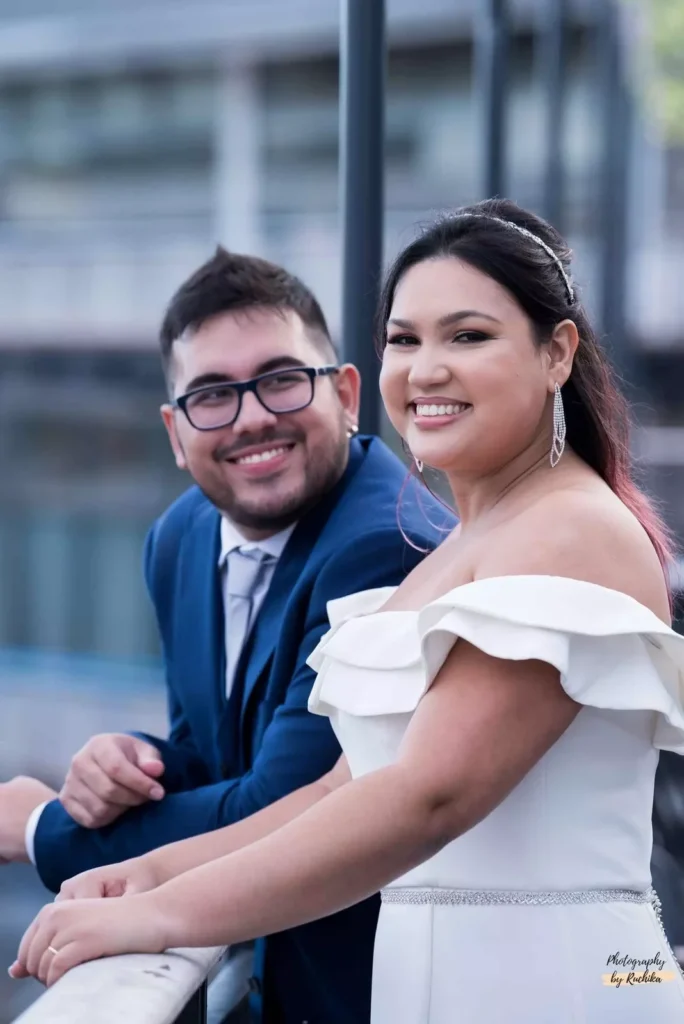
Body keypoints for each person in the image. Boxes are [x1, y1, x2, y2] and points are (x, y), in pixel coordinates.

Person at [12, 198, 684, 1023]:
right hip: (444, 985)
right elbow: (341, 785)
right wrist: (157, 871)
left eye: (468, 336)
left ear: (556, 353)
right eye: (406, 338)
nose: (427, 368)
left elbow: (424, 796)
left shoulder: (570, 529)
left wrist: (157, 914)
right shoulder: (470, 544)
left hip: (546, 986)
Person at [2, 248, 452, 1024]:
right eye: (212, 394)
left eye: (280, 378)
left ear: (345, 394)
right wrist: (132, 764)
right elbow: (217, 757)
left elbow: (286, 804)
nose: (250, 417)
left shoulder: (389, 544)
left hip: (368, 992)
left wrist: (46, 829)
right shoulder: (179, 537)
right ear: (175, 433)